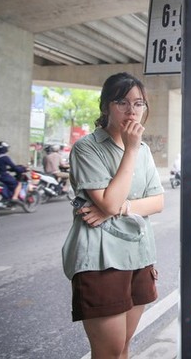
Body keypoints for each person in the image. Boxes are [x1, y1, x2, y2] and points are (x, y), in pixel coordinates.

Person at [61, 72, 164, 358]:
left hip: (139, 256)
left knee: (124, 350)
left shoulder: (144, 150)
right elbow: (107, 203)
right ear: (105, 106)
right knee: (109, 352)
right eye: (122, 101)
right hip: (100, 259)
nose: (132, 110)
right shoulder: (87, 147)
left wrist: (121, 207)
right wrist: (130, 150)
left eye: (139, 103)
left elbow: (157, 202)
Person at [0, 141, 25, 205]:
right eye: (6, 148)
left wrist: (8, 169)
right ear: (4, 148)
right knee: (18, 184)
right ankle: (14, 198)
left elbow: (0, 167)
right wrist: (22, 169)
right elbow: (15, 167)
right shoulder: (4, 157)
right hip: (3, 176)